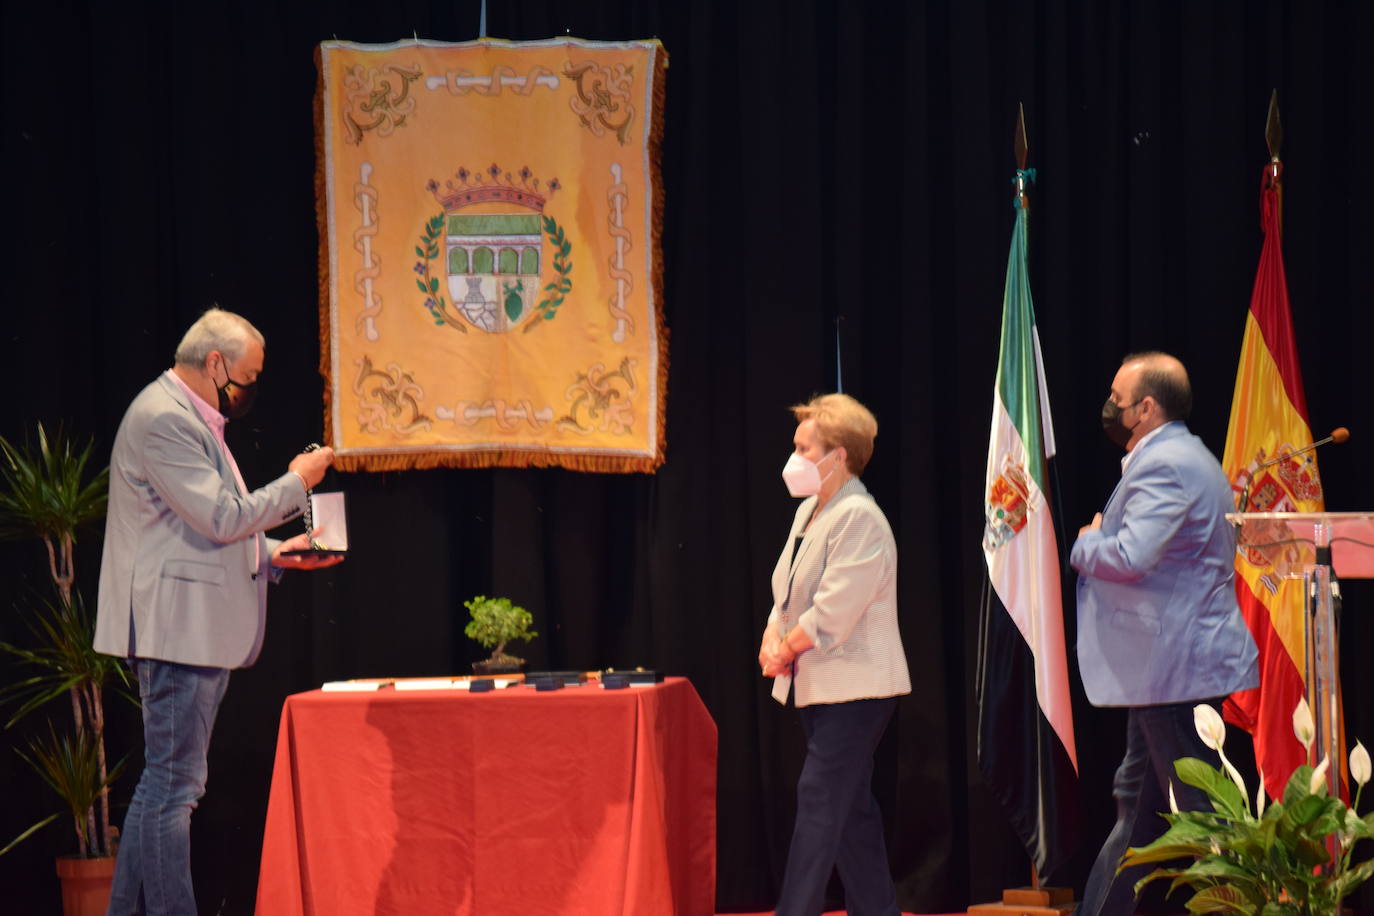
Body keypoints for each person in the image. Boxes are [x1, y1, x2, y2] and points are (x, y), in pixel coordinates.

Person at [94, 308, 343, 916]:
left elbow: (203, 529)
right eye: (247, 377)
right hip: (177, 632)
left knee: (166, 787)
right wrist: (297, 482)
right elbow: (222, 518)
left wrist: (275, 553)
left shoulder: (190, 418)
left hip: (189, 629)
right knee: (172, 790)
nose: (249, 390)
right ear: (215, 364)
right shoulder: (163, 420)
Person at [1071, 352, 1259, 916]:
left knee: (1203, 814)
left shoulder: (1167, 464)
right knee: (1139, 810)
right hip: (1163, 666)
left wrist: (1087, 540)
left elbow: (1131, 555)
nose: (1110, 407)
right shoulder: (1178, 454)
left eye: (1117, 398)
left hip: (1174, 667)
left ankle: (1246, 903)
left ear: (1145, 407)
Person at [758, 393, 911, 916]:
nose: (794, 457)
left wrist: (786, 647)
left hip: (859, 689)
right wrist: (770, 642)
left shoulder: (860, 518)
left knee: (820, 800)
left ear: (838, 455)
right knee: (849, 816)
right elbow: (787, 594)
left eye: (805, 448)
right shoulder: (810, 512)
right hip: (821, 686)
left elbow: (834, 610)